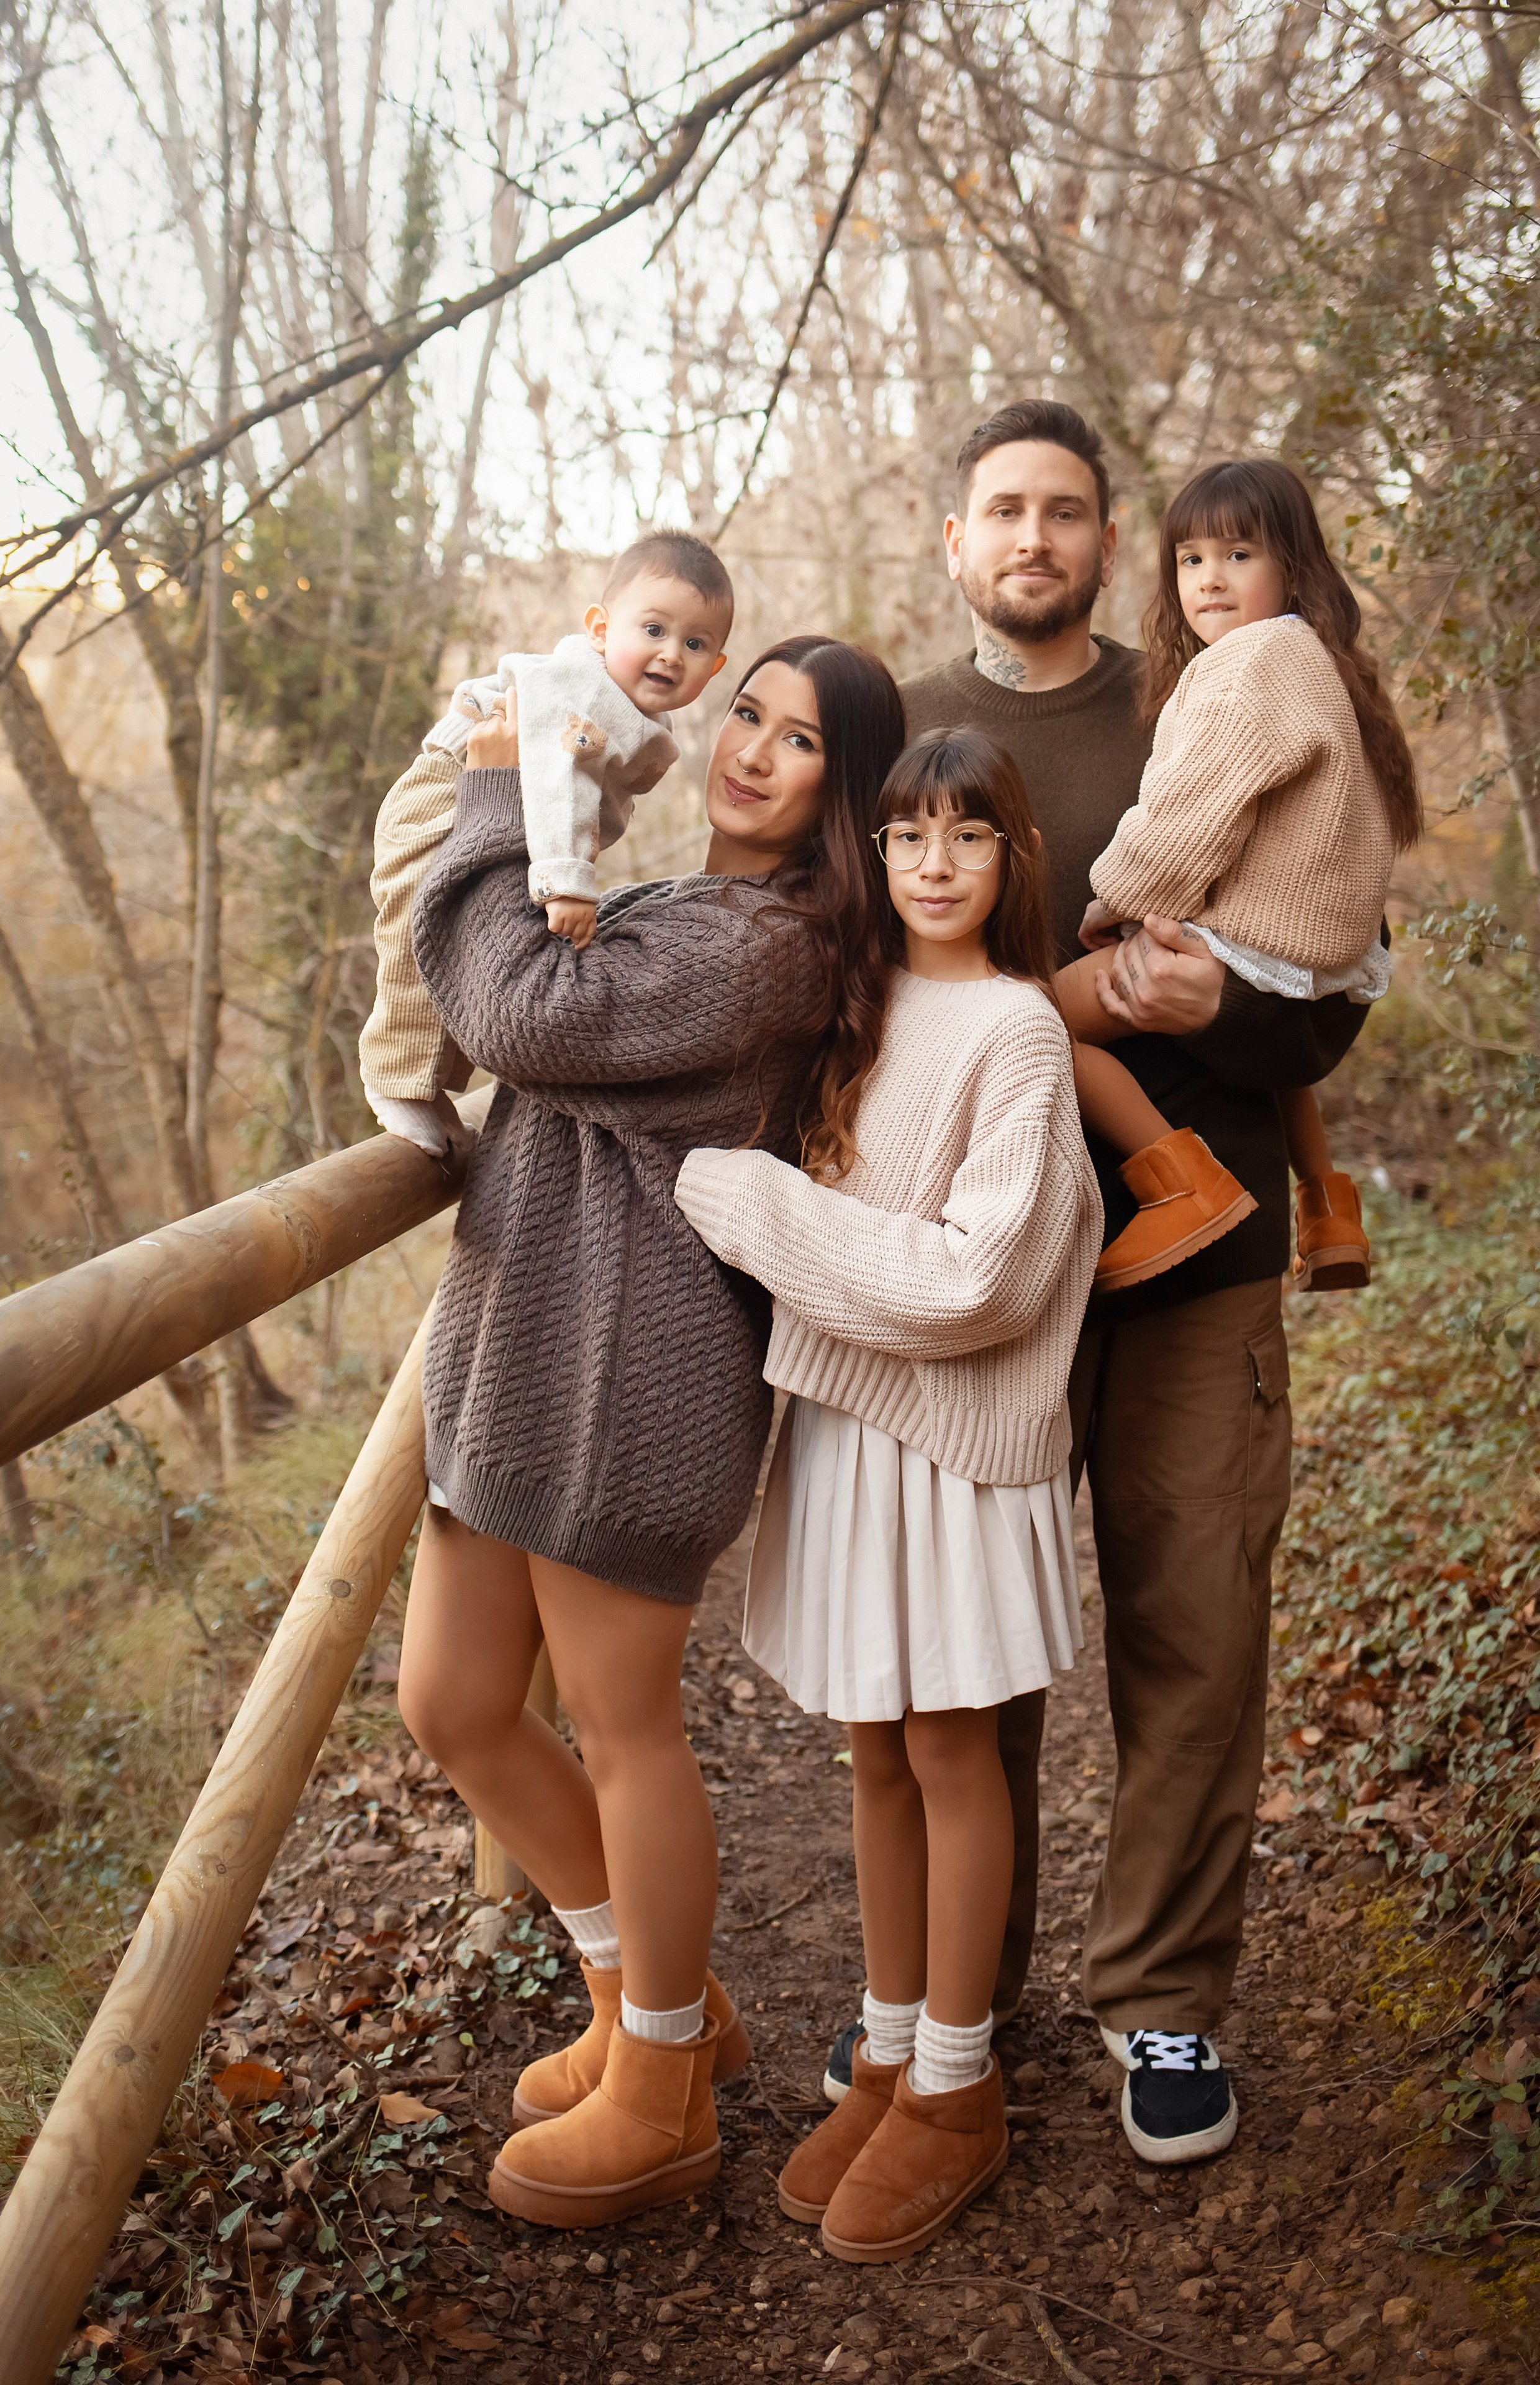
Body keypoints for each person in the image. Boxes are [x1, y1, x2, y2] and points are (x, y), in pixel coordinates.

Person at [820, 398, 1381, 2167]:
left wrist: (1247, 1009)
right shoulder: (900, 733)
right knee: (953, 1643)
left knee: (1193, 1627)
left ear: (1107, 534)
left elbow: (1345, 968)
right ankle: (951, 2011)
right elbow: (820, 969)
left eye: (1068, 511)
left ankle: (1163, 2010)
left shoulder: (1210, 684)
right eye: (1005, 512)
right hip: (969, 1276)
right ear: (955, 538)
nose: (1036, 539)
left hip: (1188, 1258)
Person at [391, 635, 907, 2231]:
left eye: (799, 738)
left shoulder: (777, 946)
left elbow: (512, 1011)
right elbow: (525, 1002)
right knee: (454, 1701)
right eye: (742, 712)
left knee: (621, 1728)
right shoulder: (685, 903)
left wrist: (499, 783)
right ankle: (645, 2000)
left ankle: (665, 2082)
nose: (751, 747)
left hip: (635, 1378)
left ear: (848, 786)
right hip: (520, 1355)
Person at [675, 727, 1102, 2261]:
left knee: (946, 1740)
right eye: (909, 835)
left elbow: (970, 1279)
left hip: (952, 1433)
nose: (933, 862)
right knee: (869, 1746)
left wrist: (754, 1203)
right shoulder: (858, 1004)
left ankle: (957, 2083)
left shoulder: (1017, 1033)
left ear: (1010, 859)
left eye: (966, 836)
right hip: (849, 1425)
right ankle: (886, 2043)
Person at [1058, 459, 1420, 1294]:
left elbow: (1189, 817)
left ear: (1293, 564)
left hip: (1251, 942)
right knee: (1277, 1067)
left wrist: (1115, 900)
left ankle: (1178, 1178)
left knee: (1038, 1018)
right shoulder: (1325, 662)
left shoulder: (1250, 664)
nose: (1209, 579)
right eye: (1190, 560)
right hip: (1318, 955)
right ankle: (1330, 1211)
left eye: (1238, 555)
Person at [357, 530, 733, 1161]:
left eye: (694, 644)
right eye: (653, 630)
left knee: (477, 939)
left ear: (715, 666)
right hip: (449, 790)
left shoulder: (634, 709)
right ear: (599, 629)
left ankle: (427, 1086)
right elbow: (560, 777)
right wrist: (568, 881)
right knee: (417, 921)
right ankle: (396, 1082)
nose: (671, 654)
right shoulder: (583, 691)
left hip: (504, 812)